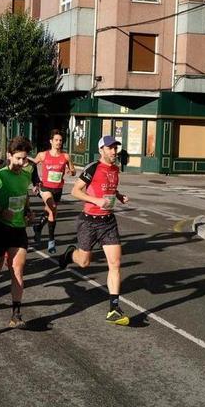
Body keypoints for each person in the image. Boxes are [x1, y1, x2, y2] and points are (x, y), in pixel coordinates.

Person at [59, 135, 130, 326]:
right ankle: (69, 255)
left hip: (108, 222)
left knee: (115, 263)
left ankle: (114, 308)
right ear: (101, 150)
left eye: (115, 148)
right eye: (110, 148)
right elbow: (75, 191)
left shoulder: (115, 169)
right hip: (88, 221)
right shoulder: (92, 167)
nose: (114, 151)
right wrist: (96, 201)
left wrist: (119, 195)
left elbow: (109, 189)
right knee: (84, 262)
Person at [0, 136, 34, 328]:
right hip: (0, 227)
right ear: (9, 156)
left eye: (24, 159)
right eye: (18, 158)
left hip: (18, 229)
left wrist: (28, 212)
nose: (21, 163)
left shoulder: (26, 174)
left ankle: (16, 314)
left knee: (17, 269)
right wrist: (2, 211)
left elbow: (24, 196)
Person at [32, 129, 75, 254]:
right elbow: (31, 166)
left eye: (60, 140)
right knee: (53, 208)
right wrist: (35, 182)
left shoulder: (66, 156)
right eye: (56, 140)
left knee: (51, 212)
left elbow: (73, 171)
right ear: (51, 141)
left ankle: (38, 227)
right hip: (45, 187)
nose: (58, 142)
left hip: (58, 189)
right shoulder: (43, 155)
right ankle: (51, 241)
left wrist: (71, 172)